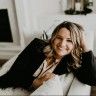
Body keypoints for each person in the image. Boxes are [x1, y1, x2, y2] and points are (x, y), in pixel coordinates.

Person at [0, 21, 96, 92]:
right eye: (59, 38)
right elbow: (13, 74)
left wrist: (85, 46)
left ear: (76, 44)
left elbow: (92, 79)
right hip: (10, 87)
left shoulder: (72, 61)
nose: (62, 44)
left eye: (69, 40)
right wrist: (36, 82)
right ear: (53, 38)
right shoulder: (37, 46)